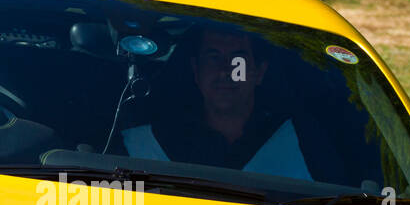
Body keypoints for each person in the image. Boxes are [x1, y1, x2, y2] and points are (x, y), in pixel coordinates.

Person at [118, 24, 336, 181]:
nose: (225, 71)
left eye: (238, 60)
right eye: (213, 57)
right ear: (196, 71)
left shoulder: (301, 141)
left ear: (259, 72)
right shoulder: (147, 142)